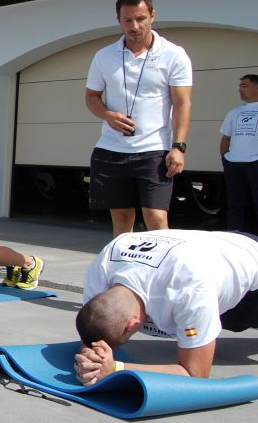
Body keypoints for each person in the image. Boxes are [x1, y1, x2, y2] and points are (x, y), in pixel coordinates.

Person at [73, 230, 258, 383]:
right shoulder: (102, 270)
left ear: (132, 324)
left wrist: (116, 369)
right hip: (213, 255)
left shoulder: (189, 289)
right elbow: (93, 329)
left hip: (248, 272)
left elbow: (196, 374)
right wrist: (91, 358)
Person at [84, 0, 193, 237]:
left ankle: (163, 275)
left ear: (152, 15)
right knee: (121, 221)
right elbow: (91, 98)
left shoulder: (174, 55)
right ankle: (125, 273)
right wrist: (108, 115)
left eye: (141, 18)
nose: (134, 26)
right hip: (111, 150)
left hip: (154, 150)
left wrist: (179, 146)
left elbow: (183, 103)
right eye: (128, 20)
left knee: (156, 220)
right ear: (119, 20)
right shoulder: (104, 56)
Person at [219, 74, 258, 233]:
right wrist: (225, 159)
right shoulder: (234, 112)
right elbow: (226, 138)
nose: (240, 89)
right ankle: (234, 235)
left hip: (255, 163)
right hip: (234, 164)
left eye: (245, 85)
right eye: (240, 86)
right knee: (235, 203)